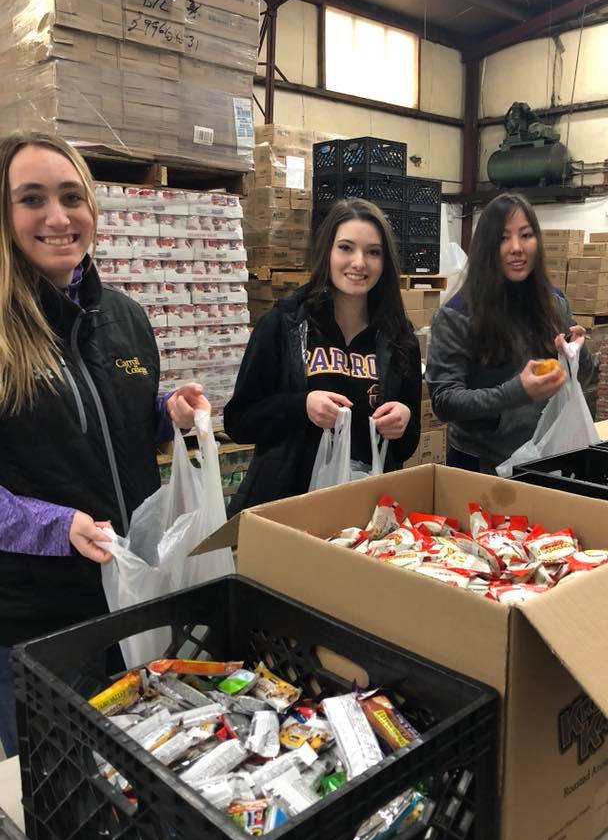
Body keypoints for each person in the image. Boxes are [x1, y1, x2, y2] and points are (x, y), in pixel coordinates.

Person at [0, 131, 208, 758]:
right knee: (54, 783)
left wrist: (166, 413)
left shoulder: (125, 316)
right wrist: (55, 526)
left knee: (137, 772)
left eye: (71, 197)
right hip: (37, 618)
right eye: (32, 199)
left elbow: (108, 426)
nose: (58, 217)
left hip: (132, 591)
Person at [224, 197, 421, 513]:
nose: (359, 262)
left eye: (373, 252)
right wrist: (301, 406)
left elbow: (407, 443)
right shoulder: (284, 324)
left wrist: (403, 421)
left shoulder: (399, 337)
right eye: (346, 248)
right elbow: (239, 421)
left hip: (365, 509)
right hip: (288, 504)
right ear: (327, 252)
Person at [426, 192, 594, 474]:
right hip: (481, 466)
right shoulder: (457, 315)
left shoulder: (554, 303)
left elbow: (584, 377)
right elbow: (445, 402)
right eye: (503, 238)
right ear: (485, 247)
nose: (516, 247)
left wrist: (578, 353)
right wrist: (517, 391)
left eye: (526, 235)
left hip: (546, 455)